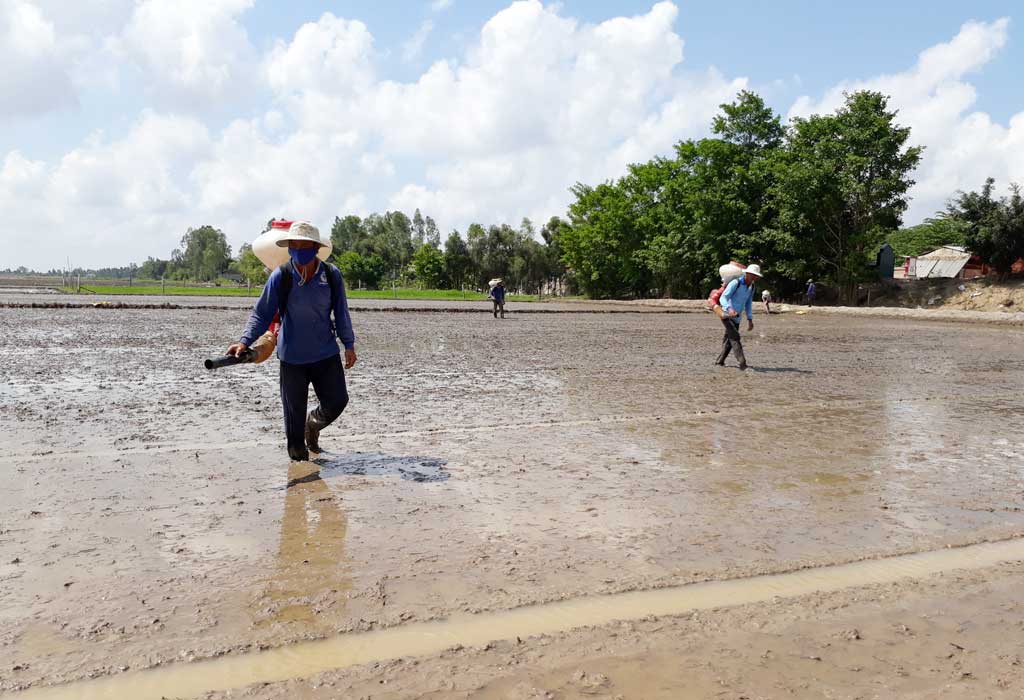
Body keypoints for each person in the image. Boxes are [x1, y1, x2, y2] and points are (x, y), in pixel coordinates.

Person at [226, 222, 357, 461]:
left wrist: (348, 344)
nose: (298, 249)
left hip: (325, 353)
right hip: (292, 359)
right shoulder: (281, 276)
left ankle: (313, 424)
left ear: (315, 248)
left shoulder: (330, 275)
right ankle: (299, 478)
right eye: (293, 245)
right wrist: (244, 342)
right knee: (294, 437)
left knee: (338, 400)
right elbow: (262, 313)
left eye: (303, 245)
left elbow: (341, 311)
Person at [714, 263, 763, 370]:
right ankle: (743, 363)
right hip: (726, 315)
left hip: (737, 317)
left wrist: (750, 319)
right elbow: (723, 298)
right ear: (746, 274)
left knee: (729, 340)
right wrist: (729, 309)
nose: (753, 277)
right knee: (735, 337)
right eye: (751, 275)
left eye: (755, 276)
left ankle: (719, 362)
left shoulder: (752, 287)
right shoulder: (735, 283)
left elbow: (748, 303)